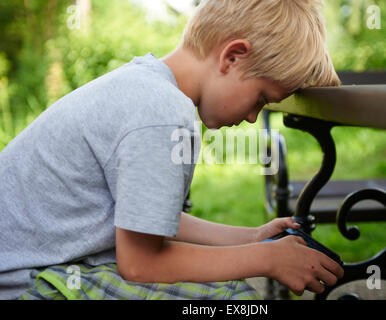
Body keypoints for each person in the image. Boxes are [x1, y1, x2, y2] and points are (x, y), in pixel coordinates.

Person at [0, 0, 343, 300]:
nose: (253, 117)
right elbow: (140, 263)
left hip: (30, 270)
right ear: (233, 57)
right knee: (233, 299)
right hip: (26, 283)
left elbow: (145, 217)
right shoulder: (162, 112)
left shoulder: (145, 84)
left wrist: (251, 238)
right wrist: (267, 260)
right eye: (261, 99)